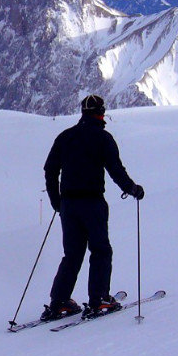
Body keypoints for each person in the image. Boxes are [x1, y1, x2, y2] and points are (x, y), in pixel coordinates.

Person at [40, 94, 145, 321]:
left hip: (68, 205)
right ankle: (98, 300)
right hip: (92, 203)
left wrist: (56, 201)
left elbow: (50, 170)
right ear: (101, 112)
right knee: (100, 250)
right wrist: (133, 188)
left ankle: (58, 303)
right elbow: (116, 170)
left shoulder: (65, 137)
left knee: (72, 254)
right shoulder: (103, 138)